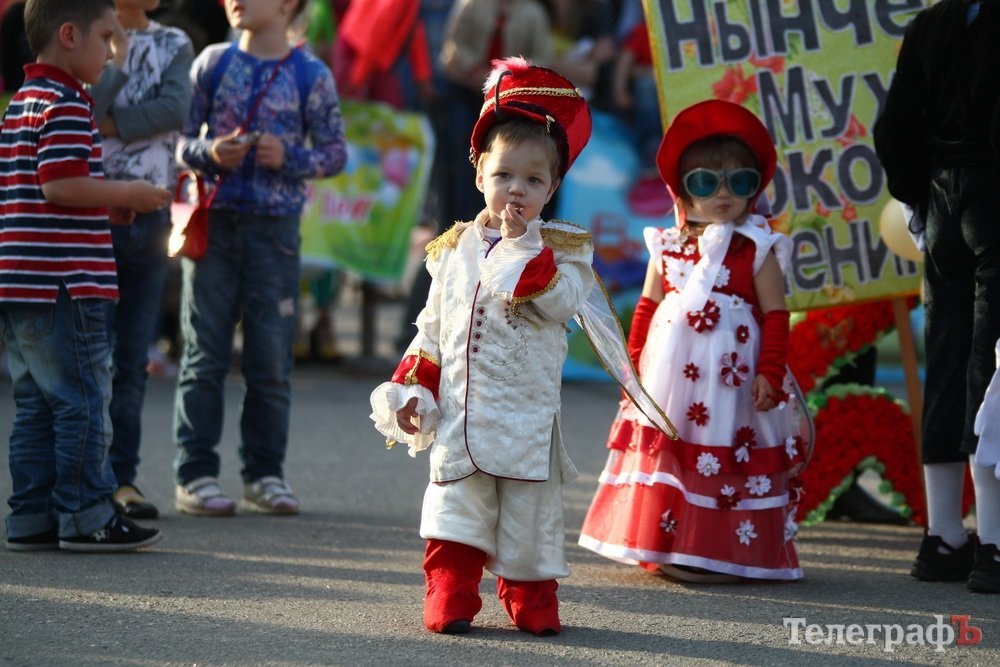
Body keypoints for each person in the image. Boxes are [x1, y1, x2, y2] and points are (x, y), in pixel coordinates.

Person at [369, 57, 593, 635]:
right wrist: (413, 382)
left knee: (529, 517)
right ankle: (451, 590)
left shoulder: (566, 251)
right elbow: (433, 325)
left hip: (527, 414)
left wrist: (525, 250)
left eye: (534, 180)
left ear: (554, 187)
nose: (516, 190)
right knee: (455, 508)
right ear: (478, 175)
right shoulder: (451, 248)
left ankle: (531, 599)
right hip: (463, 410)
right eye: (504, 176)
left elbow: (563, 304)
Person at [578, 99, 809, 582]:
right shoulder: (665, 246)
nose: (723, 193)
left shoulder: (759, 247)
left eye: (739, 181)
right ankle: (672, 540)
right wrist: (631, 370)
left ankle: (721, 548)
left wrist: (769, 371)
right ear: (682, 191)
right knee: (677, 449)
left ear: (755, 188)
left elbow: (776, 313)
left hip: (733, 387)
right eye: (706, 182)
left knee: (726, 452)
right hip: (672, 385)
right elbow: (645, 308)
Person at [0, 0, 169, 552]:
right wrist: (128, 193)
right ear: (69, 35)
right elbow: (60, 185)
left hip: (24, 280)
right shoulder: (69, 103)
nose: (113, 51)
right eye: (106, 37)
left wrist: (104, 208)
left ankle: (31, 513)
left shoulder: (22, 101)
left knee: (36, 402)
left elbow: (47, 192)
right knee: (82, 401)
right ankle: (86, 512)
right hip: (65, 282)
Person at [173, 0, 347, 517]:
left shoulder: (311, 74)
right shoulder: (211, 63)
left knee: (270, 361)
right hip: (215, 226)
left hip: (276, 234)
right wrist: (208, 152)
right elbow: (179, 141)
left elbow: (335, 152)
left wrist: (287, 157)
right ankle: (195, 475)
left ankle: (264, 475)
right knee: (203, 356)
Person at [873, 0, 1000, 593]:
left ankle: (944, 533)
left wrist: (916, 193)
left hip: (941, 201)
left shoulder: (931, 21)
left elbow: (894, 125)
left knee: (948, 363)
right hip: (992, 200)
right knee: (992, 368)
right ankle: (993, 544)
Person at [87, 0, 194, 520]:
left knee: (132, 358)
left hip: (150, 215)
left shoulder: (175, 44)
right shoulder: (89, 34)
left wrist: (111, 123)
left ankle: (121, 478)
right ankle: (85, 478)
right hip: (91, 217)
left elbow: (174, 111)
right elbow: (82, 113)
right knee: (89, 357)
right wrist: (119, 57)